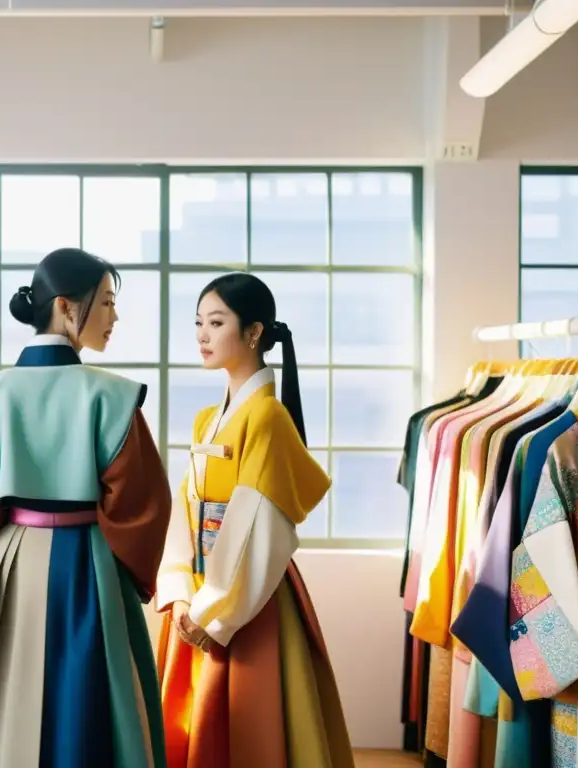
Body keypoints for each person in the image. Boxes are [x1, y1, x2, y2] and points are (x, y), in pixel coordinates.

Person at [0, 247, 172, 768]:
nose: (114, 317)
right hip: (91, 563)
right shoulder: (114, 397)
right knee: (96, 700)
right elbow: (140, 501)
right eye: (106, 302)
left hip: (10, 559)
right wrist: (129, 571)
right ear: (65, 307)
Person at [156, 272, 354, 768]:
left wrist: (213, 611)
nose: (202, 334)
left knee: (250, 728)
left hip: (247, 595)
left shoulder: (267, 417)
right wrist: (180, 588)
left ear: (254, 332)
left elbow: (256, 525)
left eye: (216, 322)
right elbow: (184, 507)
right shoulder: (208, 418)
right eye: (198, 322)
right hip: (203, 588)